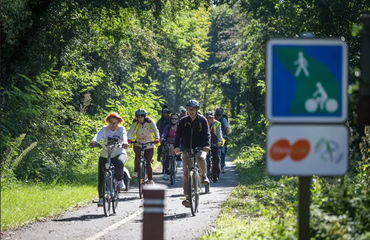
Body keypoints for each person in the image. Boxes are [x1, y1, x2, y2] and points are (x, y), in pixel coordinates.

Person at [174, 100, 210, 208]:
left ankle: (204, 176)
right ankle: (188, 198)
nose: (191, 111)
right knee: (186, 173)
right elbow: (178, 135)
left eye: (193, 109)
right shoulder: (183, 121)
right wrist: (176, 146)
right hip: (186, 148)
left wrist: (207, 146)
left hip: (199, 147)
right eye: (189, 109)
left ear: (197, 110)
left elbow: (207, 134)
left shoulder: (202, 120)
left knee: (200, 158)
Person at [90, 112, 129, 206]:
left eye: (115, 123)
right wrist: (94, 141)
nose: (112, 125)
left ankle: (120, 180)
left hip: (118, 152)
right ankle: (101, 198)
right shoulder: (104, 129)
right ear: (108, 122)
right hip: (105, 154)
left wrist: (125, 142)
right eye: (110, 122)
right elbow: (98, 135)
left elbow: (124, 136)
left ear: (118, 122)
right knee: (101, 176)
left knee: (119, 162)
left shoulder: (121, 129)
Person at [127, 108, 160, 184]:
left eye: (141, 116)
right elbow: (130, 131)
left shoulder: (150, 122)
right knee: (137, 156)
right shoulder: (135, 122)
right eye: (138, 117)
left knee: (148, 162)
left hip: (149, 143)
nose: (140, 118)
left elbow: (155, 130)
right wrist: (128, 139)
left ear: (144, 116)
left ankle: (150, 179)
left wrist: (157, 138)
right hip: (138, 142)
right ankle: (136, 172)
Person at [205, 111, 223, 183]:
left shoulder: (217, 123)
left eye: (210, 118)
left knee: (216, 158)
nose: (209, 119)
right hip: (205, 143)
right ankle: (206, 174)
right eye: (207, 118)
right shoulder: (202, 123)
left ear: (213, 118)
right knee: (205, 159)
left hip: (214, 143)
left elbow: (219, 133)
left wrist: (220, 141)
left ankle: (215, 175)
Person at [161, 113, 179, 180]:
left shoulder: (180, 127)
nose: (174, 120)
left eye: (175, 119)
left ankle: (177, 161)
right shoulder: (168, 126)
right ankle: (166, 172)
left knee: (177, 154)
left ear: (178, 120)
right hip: (168, 143)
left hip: (177, 144)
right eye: (172, 118)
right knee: (166, 157)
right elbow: (164, 133)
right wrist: (162, 138)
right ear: (170, 119)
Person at [215, 107, 229, 173]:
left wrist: (227, 134)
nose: (218, 116)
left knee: (222, 152)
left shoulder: (224, 120)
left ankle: (222, 166)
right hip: (214, 138)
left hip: (222, 138)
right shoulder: (213, 119)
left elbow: (227, 128)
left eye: (219, 115)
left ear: (221, 114)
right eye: (217, 115)